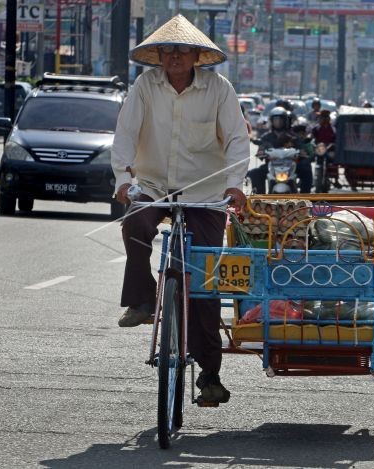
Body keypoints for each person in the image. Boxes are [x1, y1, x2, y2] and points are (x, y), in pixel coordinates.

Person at [111, 14, 249, 404]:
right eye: (168, 50)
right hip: (153, 184)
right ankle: (141, 300)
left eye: (182, 50)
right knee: (135, 223)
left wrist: (234, 185)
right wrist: (123, 178)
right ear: (159, 55)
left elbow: (237, 139)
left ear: (196, 55)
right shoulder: (144, 86)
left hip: (206, 190)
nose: (174, 57)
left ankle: (210, 375)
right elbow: (125, 133)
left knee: (203, 285)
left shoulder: (219, 89)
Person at [248, 107, 294, 194]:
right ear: (272, 121)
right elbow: (261, 150)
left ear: (285, 120)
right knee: (254, 173)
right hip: (271, 167)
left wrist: (302, 152)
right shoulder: (266, 136)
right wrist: (261, 153)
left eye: (281, 119)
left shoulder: (292, 135)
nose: (278, 122)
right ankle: (260, 200)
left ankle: (307, 197)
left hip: (290, 167)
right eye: (276, 119)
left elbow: (300, 147)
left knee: (306, 168)